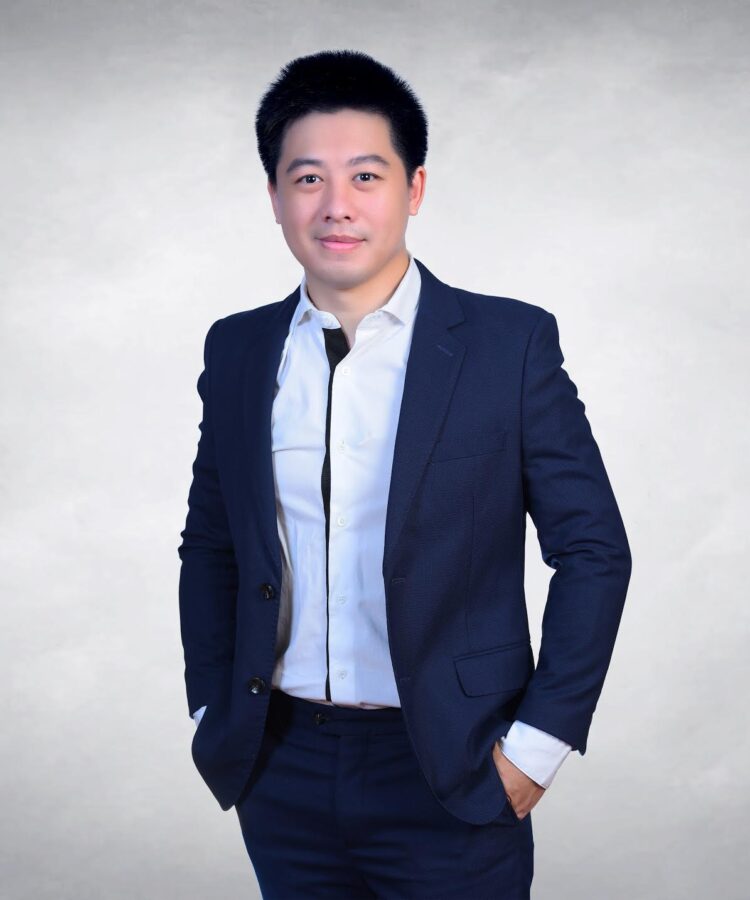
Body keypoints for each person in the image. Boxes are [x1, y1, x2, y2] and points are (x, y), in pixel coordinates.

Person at [177, 49, 632, 899]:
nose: (336, 205)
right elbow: (211, 545)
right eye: (307, 178)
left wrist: (536, 748)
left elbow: (594, 551)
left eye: (366, 175)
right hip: (279, 765)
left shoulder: (506, 346)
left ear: (414, 188)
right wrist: (212, 708)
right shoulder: (237, 349)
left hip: (454, 764)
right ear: (274, 195)